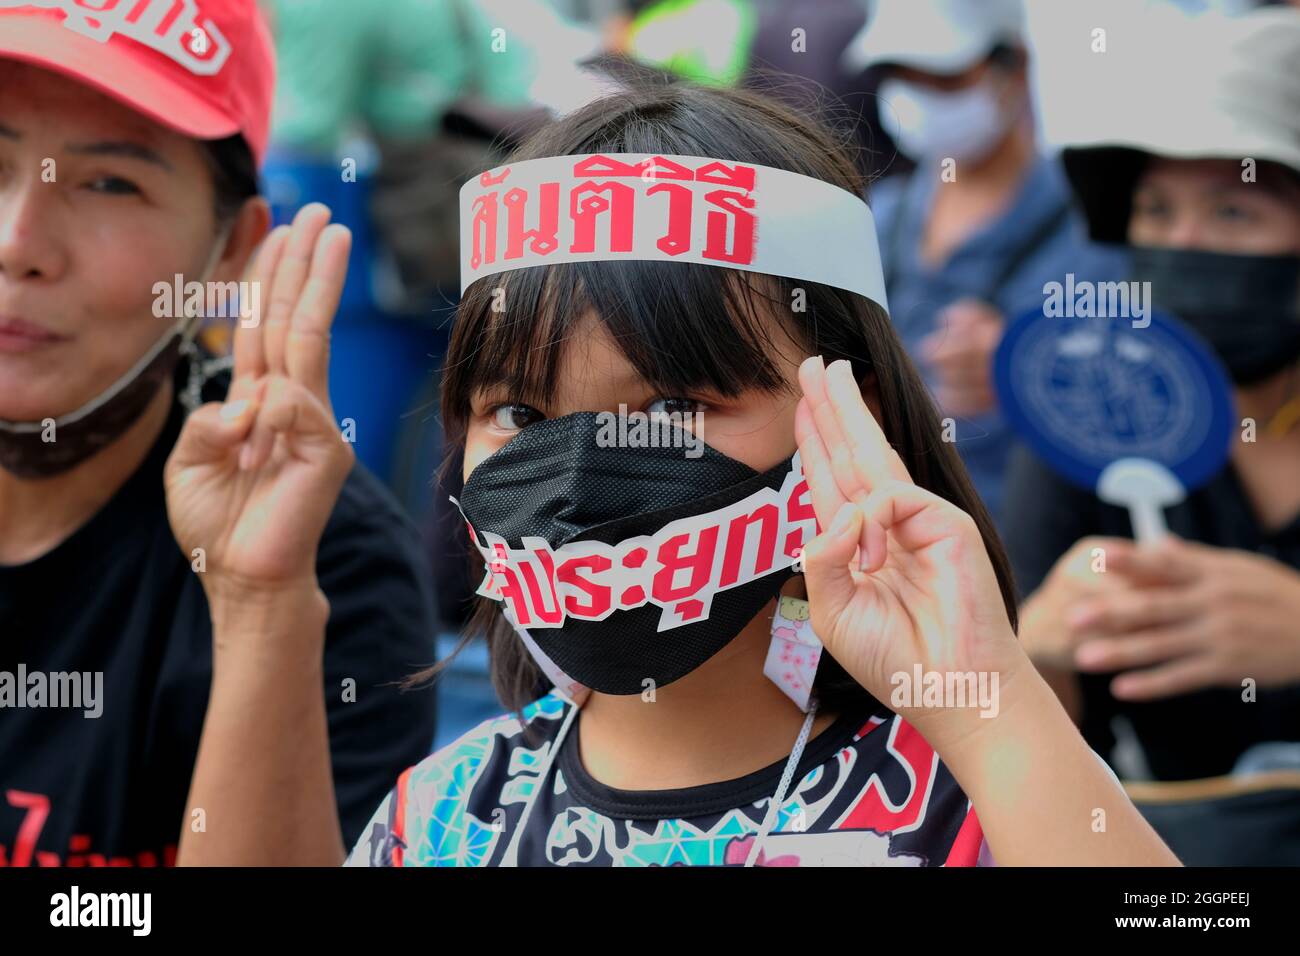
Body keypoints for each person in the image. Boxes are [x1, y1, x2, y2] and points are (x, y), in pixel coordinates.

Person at [170, 78, 1177, 867]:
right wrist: (258, 601)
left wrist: (985, 701)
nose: (578, 474)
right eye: (518, 412)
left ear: (848, 419)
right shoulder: (441, 817)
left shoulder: (979, 797)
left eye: (672, 407)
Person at [0, 0, 437, 867]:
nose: (19, 244)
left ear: (232, 252)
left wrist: (262, 609)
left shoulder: (321, 561)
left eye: (108, 183)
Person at [1004, 7, 1300, 786]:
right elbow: (1027, 763)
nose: (1184, 246)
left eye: (1234, 209)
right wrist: (1039, 648)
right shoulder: (1094, 422)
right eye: (1156, 209)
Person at [844, 0, 1126, 520]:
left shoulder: (1093, 227)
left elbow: (1133, 402)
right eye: (901, 76)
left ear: (1014, 66)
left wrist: (1032, 368)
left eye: (944, 77)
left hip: (1022, 540)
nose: (919, 96)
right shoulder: (883, 214)